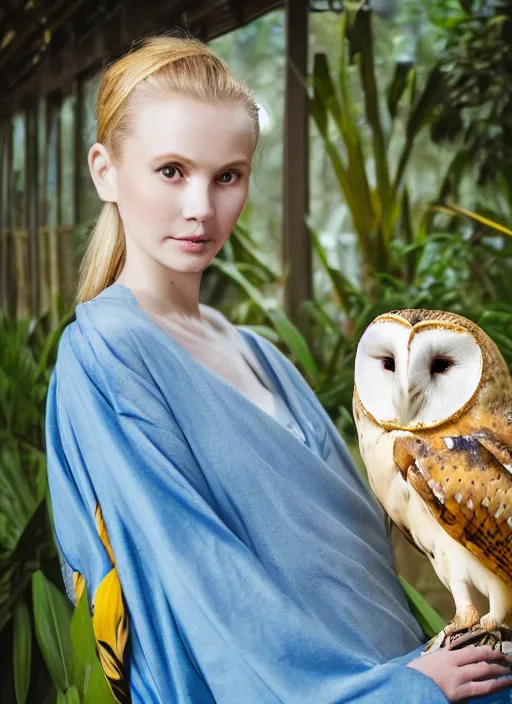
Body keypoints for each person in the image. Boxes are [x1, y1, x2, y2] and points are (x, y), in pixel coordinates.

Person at [44, 35, 512, 704]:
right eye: (171, 170)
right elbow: (199, 577)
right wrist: (395, 694)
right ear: (104, 172)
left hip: (406, 665)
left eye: (227, 175)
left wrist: (432, 658)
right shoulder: (106, 354)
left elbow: (355, 559)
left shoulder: (260, 351)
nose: (202, 207)